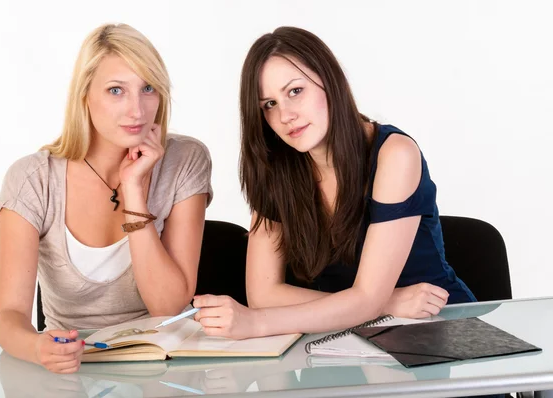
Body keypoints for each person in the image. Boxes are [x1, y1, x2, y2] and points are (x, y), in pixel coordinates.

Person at [194, 26, 475, 339]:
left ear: (331, 81)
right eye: (269, 105)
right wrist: (388, 302)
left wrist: (256, 323)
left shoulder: (394, 154)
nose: (285, 115)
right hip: (347, 336)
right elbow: (264, 294)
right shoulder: (277, 168)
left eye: (295, 91)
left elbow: (364, 300)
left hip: (439, 327)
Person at [0, 23, 212, 373]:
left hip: (165, 362)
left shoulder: (184, 160)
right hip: (75, 364)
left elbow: (167, 306)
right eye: (115, 90)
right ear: (85, 96)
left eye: (148, 88)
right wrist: (38, 348)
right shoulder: (34, 180)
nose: (137, 111)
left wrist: (134, 191)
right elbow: (9, 316)